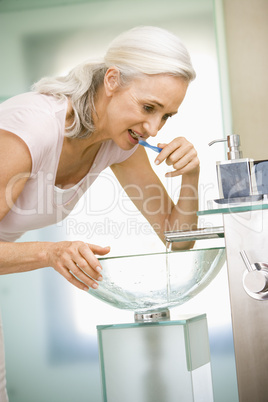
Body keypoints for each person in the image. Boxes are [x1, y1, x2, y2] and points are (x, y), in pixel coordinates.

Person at [0, 26, 199, 400]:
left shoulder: (119, 143)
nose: (153, 128)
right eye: (148, 107)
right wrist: (50, 252)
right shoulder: (32, 128)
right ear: (112, 80)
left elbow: (179, 237)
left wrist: (191, 176)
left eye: (166, 116)